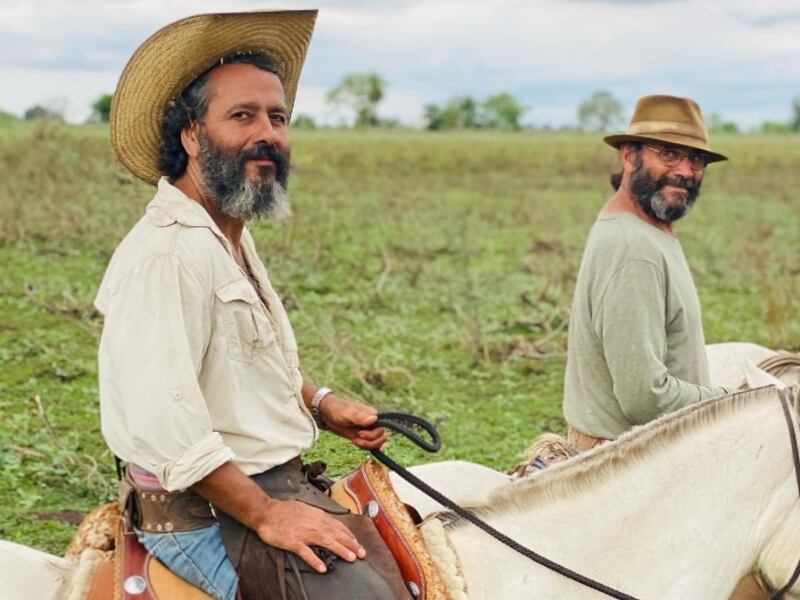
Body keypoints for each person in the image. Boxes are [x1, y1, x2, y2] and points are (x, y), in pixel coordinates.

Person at [95, 11, 407, 600]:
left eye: (278, 116)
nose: (268, 134)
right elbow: (167, 426)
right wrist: (267, 514)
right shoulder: (168, 255)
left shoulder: (226, 232)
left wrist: (318, 402)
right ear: (191, 135)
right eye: (242, 116)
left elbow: (232, 367)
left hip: (264, 482)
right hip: (202, 513)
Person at [562, 94, 730, 452]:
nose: (685, 171)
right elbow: (645, 398)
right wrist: (728, 402)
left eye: (696, 159)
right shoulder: (632, 249)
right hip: (625, 466)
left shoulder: (649, 231)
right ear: (629, 155)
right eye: (667, 153)